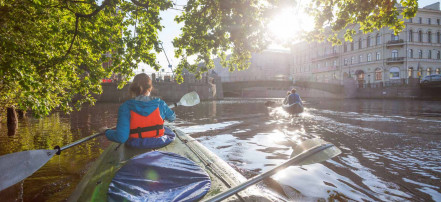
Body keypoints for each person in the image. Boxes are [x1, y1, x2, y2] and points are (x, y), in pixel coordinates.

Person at [105, 73, 176, 149]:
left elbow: (121, 138)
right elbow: (172, 118)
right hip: (158, 142)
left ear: (133, 88)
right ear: (150, 88)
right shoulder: (160, 103)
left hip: (135, 144)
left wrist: (106, 131)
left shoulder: (125, 107)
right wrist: (165, 112)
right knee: (168, 130)